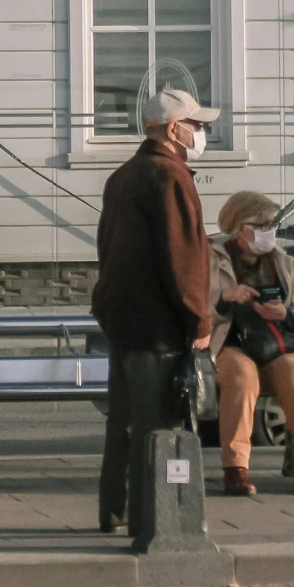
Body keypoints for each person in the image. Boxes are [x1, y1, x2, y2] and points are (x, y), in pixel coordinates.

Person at [92, 82, 217, 538]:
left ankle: (116, 507)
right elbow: (182, 256)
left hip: (122, 317)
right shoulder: (171, 177)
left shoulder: (123, 175)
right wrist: (199, 318)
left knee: (122, 422)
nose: (201, 132)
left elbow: (108, 249)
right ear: (171, 129)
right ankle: (153, 516)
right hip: (159, 323)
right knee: (158, 423)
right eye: (196, 124)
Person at [210, 190, 294, 499]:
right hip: (231, 342)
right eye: (260, 224)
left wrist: (285, 314)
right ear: (238, 227)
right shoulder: (212, 258)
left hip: (274, 342)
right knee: (241, 378)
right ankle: (235, 469)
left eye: (272, 224)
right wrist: (226, 299)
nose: (268, 231)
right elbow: (197, 310)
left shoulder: (282, 261)